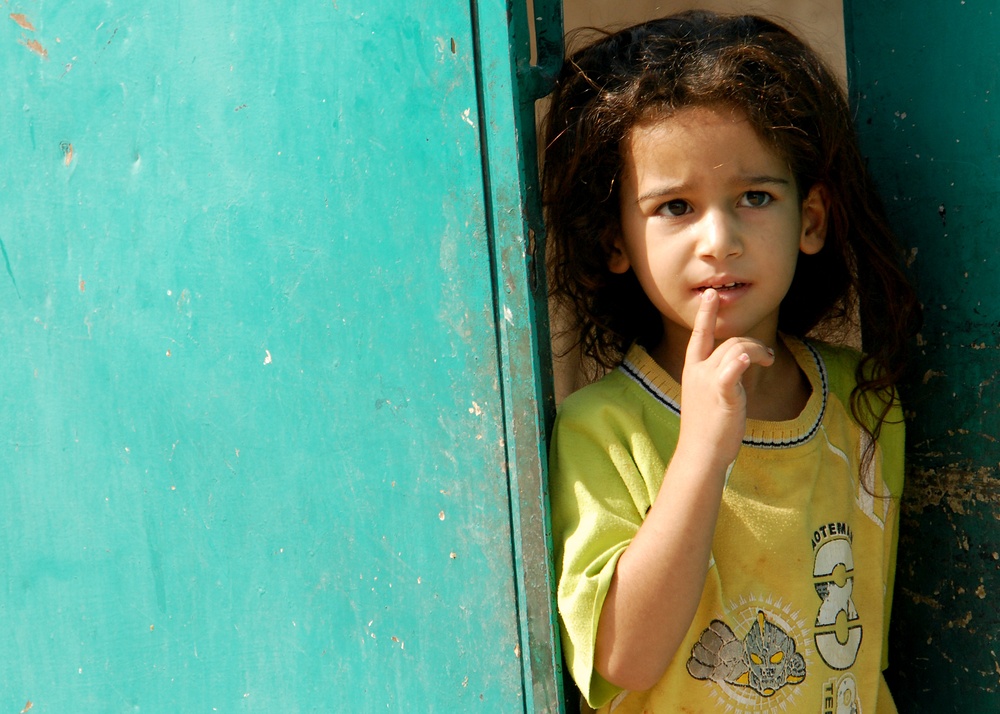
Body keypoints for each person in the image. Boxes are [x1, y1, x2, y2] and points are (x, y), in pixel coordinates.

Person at [543, 11, 920, 714]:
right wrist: (702, 453)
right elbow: (623, 660)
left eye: (754, 197)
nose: (719, 239)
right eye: (675, 206)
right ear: (615, 242)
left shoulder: (860, 401)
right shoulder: (603, 429)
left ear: (809, 220)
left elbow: (866, 653)